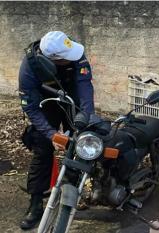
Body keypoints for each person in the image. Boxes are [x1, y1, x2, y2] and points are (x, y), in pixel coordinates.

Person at [18, 31, 94, 230]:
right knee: (42, 150)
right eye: (67, 58)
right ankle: (35, 204)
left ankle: (71, 187)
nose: (75, 57)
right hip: (45, 102)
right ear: (53, 59)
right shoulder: (29, 68)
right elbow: (31, 108)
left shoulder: (72, 50)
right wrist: (50, 134)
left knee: (81, 143)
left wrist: (85, 114)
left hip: (73, 99)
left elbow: (85, 85)